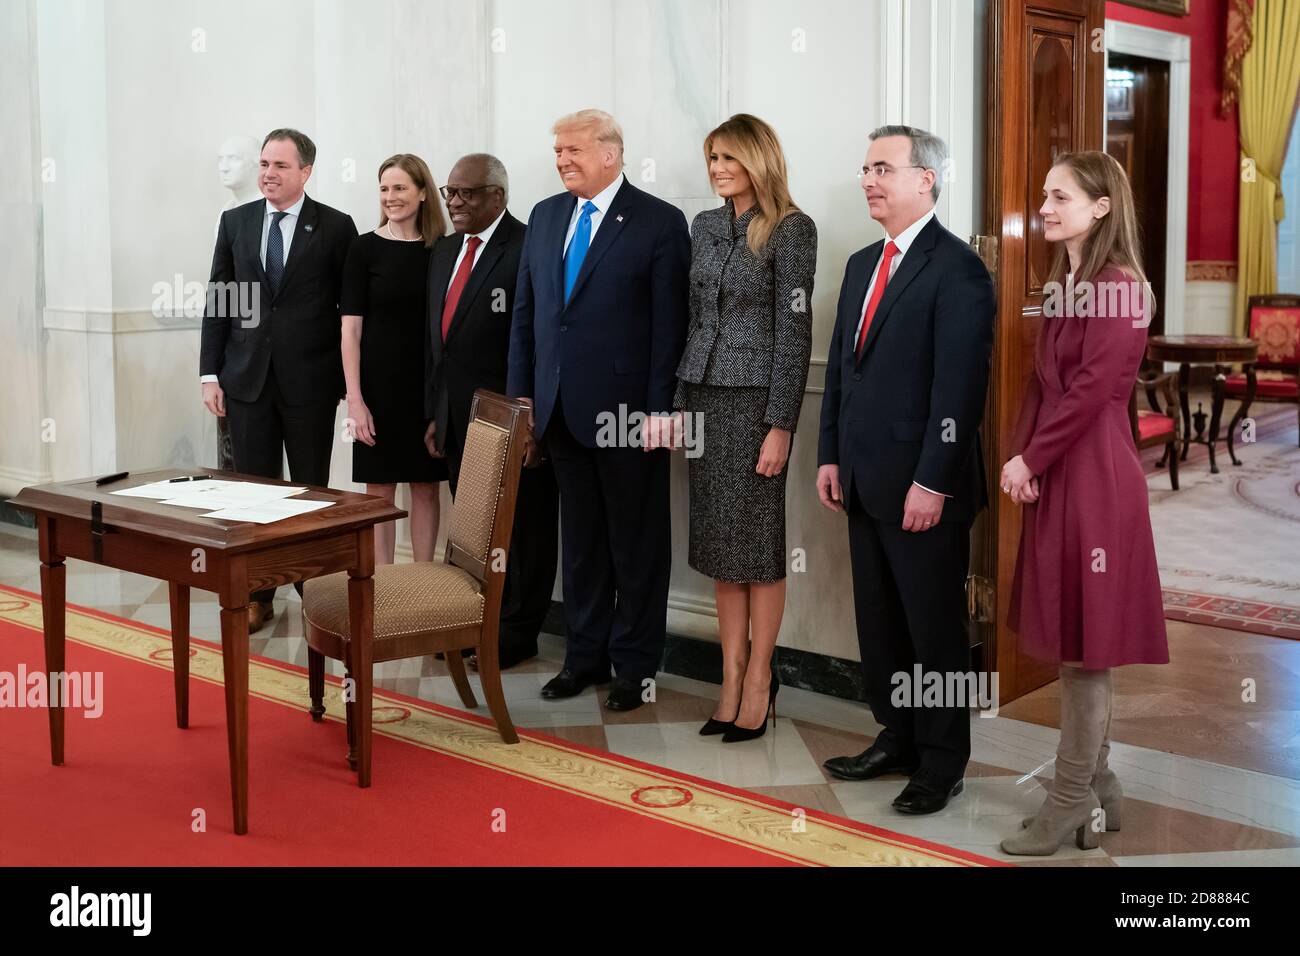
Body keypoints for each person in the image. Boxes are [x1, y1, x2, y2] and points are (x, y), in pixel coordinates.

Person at [816, 125, 994, 814]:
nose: (869, 179)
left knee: (934, 629)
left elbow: (959, 392)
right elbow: (841, 372)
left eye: (883, 167)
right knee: (881, 623)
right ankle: (898, 734)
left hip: (925, 487)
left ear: (927, 179)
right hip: (862, 477)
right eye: (865, 168)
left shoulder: (958, 269)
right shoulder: (863, 263)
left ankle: (942, 760)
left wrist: (932, 482)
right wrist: (830, 453)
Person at [999, 151, 1168, 856]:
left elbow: (1096, 391)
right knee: (1074, 636)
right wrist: (1022, 457)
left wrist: (1034, 456)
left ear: (1101, 206)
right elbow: (1043, 383)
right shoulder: (1067, 281)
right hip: (1060, 471)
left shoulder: (1120, 287)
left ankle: (1070, 799)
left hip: (1096, 479)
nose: (1045, 205)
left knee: (1086, 649)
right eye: (1044, 194)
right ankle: (1097, 786)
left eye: (1059, 195)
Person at [507, 109, 690, 711]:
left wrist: (662, 412)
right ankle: (582, 658)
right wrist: (523, 401)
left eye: (573, 150)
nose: (562, 160)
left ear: (610, 153)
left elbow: (671, 330)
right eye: (557, 151)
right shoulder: (545, 215)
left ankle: (635, 669)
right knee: (580, 545)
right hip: (559, 412)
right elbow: (528, 318)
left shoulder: (660, 223)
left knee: (635, 546)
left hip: (631, 416)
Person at [672, 114, 816, 742]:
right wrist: (680, 403)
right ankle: (727, 679)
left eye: (729, 158)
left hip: (756, 404)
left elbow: (795, 333)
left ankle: (761, 677)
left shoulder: (792, 229)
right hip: (701, 396)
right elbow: (692, 318)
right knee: (719, 550)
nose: (718, 170)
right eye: (712, 159)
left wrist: (781, 423)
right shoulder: (703, 225)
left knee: (756, 547)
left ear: (759, 160)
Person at [200, 128, 358, 633]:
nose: (267, 173)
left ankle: (316, 593)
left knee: (310, 492)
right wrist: (210, 373)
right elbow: (219, 301)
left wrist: (346, 384)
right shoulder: (236, 222)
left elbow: (348, 313)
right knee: (252, 494)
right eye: (264, 163)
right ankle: (257, 595)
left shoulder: (336, 227)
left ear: (306, 172)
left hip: (309, 384)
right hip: (245, 381)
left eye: (280, 166)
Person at [424, 153, 558, 670]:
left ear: (497, 197)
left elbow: (538, 340)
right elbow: (437, 343)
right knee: (474, 530)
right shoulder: (444, 250)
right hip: (458, 419)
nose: (454, 202)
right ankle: (474, 623)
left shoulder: (528, 245)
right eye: (449, 192)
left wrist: (532, 421)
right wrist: (436, 412)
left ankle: (517, 634)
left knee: (524, 530)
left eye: (467, 193)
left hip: (513, 419)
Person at [341, 154, 448, 565]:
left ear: (423, 193)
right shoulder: (363, 249)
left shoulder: (443, 250)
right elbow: (350, 331)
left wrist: (442, 401)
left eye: (400, 187)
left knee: (425, 486)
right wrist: (355, 400)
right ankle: (381, 586)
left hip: (426, 389)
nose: (390, 196)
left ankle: (422, 584)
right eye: (384, 188)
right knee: (379, 490)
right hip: (376, 391)